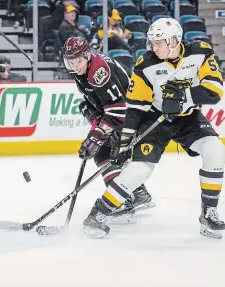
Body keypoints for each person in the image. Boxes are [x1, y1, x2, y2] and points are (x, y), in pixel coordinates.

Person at [86, 17, 225, 239]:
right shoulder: (145, 64)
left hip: (187, 118)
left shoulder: (200, 51)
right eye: (151, 42)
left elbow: (215, 91)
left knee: (215, 150)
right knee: (141, 169)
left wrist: (182, 97)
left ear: (173, 40)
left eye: (158, 42)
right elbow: (135, 108)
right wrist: (124, 142)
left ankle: (209, 213)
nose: (153, 46)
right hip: (155, 119)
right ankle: (98, 214)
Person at [62, 36, 155, 224]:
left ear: (87, 56)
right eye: (70, 61)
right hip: (128, 113)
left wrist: (98, 134)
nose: (74, 66)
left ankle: (121, 202)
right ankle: (139, 193)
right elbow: (105, 107)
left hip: (135, 114)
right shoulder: (82, 69)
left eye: (78, 61)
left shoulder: (98, 71)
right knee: (105, 151)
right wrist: (95, 123)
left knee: (107, 152)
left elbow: (118, 108)